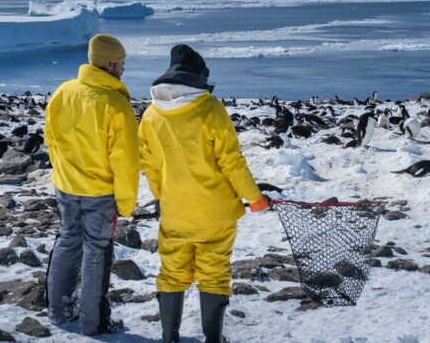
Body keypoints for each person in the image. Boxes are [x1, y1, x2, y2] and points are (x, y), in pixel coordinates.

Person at [138, 44, 270, 343]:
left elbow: (150, 166)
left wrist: (161, 199)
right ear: (198, 75)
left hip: (174, 211)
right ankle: (213, 338)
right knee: (213, 273)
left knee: (172, 272)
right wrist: (254, 198)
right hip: (215, 213)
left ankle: (169, 336)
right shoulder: (210, 108)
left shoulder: (150, 115)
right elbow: (231, 161)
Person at [44, 34, 140, 335]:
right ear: (109, 64)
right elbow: (125, 162)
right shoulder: (115, 105)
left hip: (67, 186)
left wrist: (63, 174)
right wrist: (126, 204)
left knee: (68, 242)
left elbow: (52, 139)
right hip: (100, 193)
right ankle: (93, 322)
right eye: (122, 64)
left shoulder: (63, 92)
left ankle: (59, 311)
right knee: (97, 252)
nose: (124, 70)